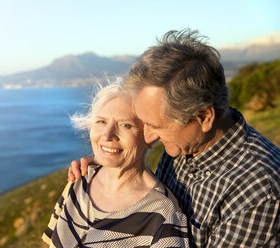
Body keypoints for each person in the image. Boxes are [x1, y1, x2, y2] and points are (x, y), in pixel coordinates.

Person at [68, 29, 280, 247]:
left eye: (155, 126)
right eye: (144, 122)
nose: (149, 135)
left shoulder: (259, 193)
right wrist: (110, 160)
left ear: (204, 117)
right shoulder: (190, 138)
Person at [42, 82, 190, 247]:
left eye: (125, 125)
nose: (107, 135)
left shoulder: (163, 216)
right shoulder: (80, 179)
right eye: (101, 122)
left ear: (150, 135)